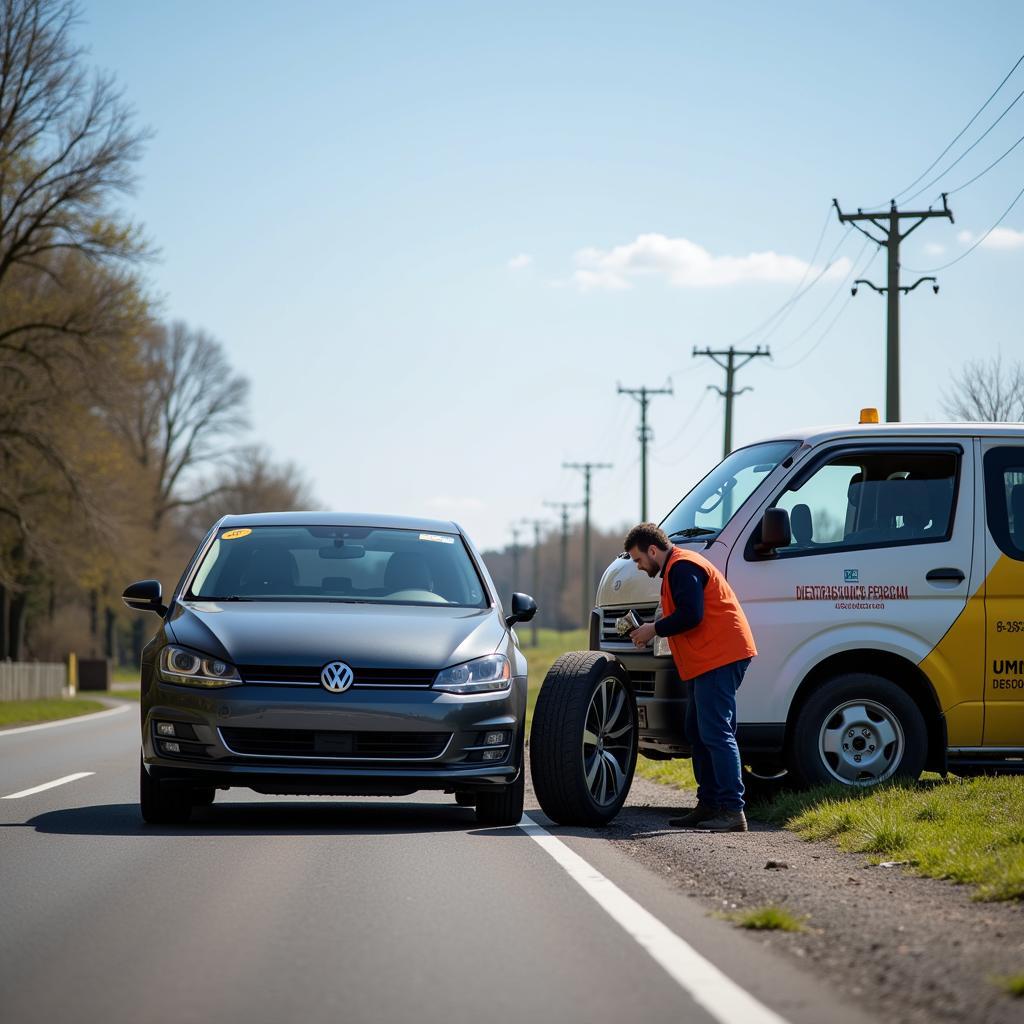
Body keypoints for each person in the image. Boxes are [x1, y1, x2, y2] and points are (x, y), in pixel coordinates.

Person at [624, 522, 757, 833]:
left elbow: (691, 615)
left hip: (721, 656)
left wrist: (652, 629)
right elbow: (683, 612)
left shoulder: (683, 566)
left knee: (715, 732)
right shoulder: (676, 568)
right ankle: (709, 803)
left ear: (652, 550)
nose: (639, 566)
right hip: (708, 659)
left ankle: (733, 810)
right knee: (697, 730)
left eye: (638, 559)